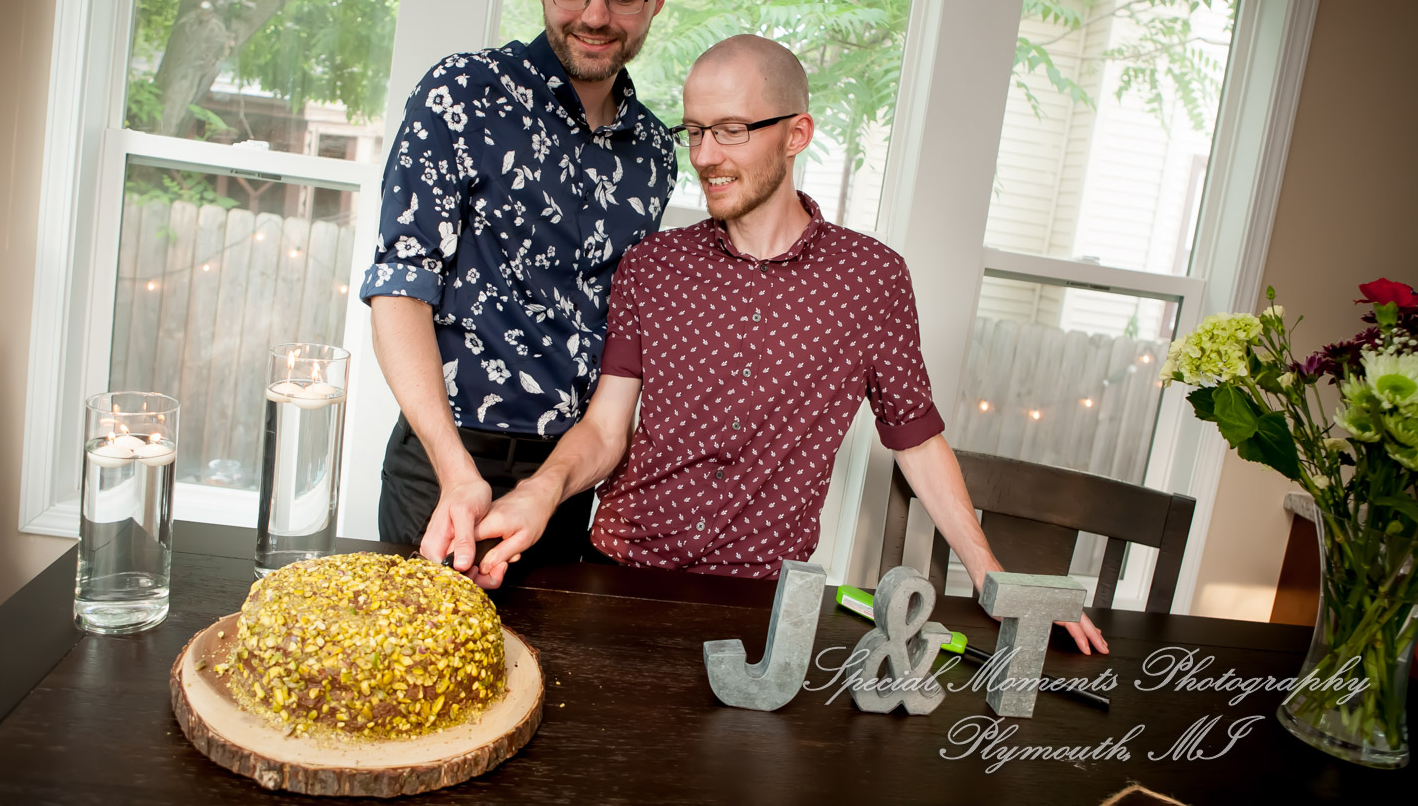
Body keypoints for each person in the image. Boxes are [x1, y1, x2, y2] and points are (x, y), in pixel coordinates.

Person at [470, 34, 1110, 655]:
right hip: (622, 576)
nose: (703, 155)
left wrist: (990, 574)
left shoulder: (870, 279)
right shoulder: (653, 265)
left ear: (796, 134)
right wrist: (542, 489)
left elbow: (914, 437)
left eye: (731, 129)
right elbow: (606, 430)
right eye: (694, 130)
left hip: (765, 601)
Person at [359, 0, 677, 574]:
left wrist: (554, 484)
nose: (595, 15)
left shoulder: (655, 152)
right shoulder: (460, 94)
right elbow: (398, 292)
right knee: (419, 675)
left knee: (545, 678)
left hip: (564, 489)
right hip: (444, 468)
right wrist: (453, 469)